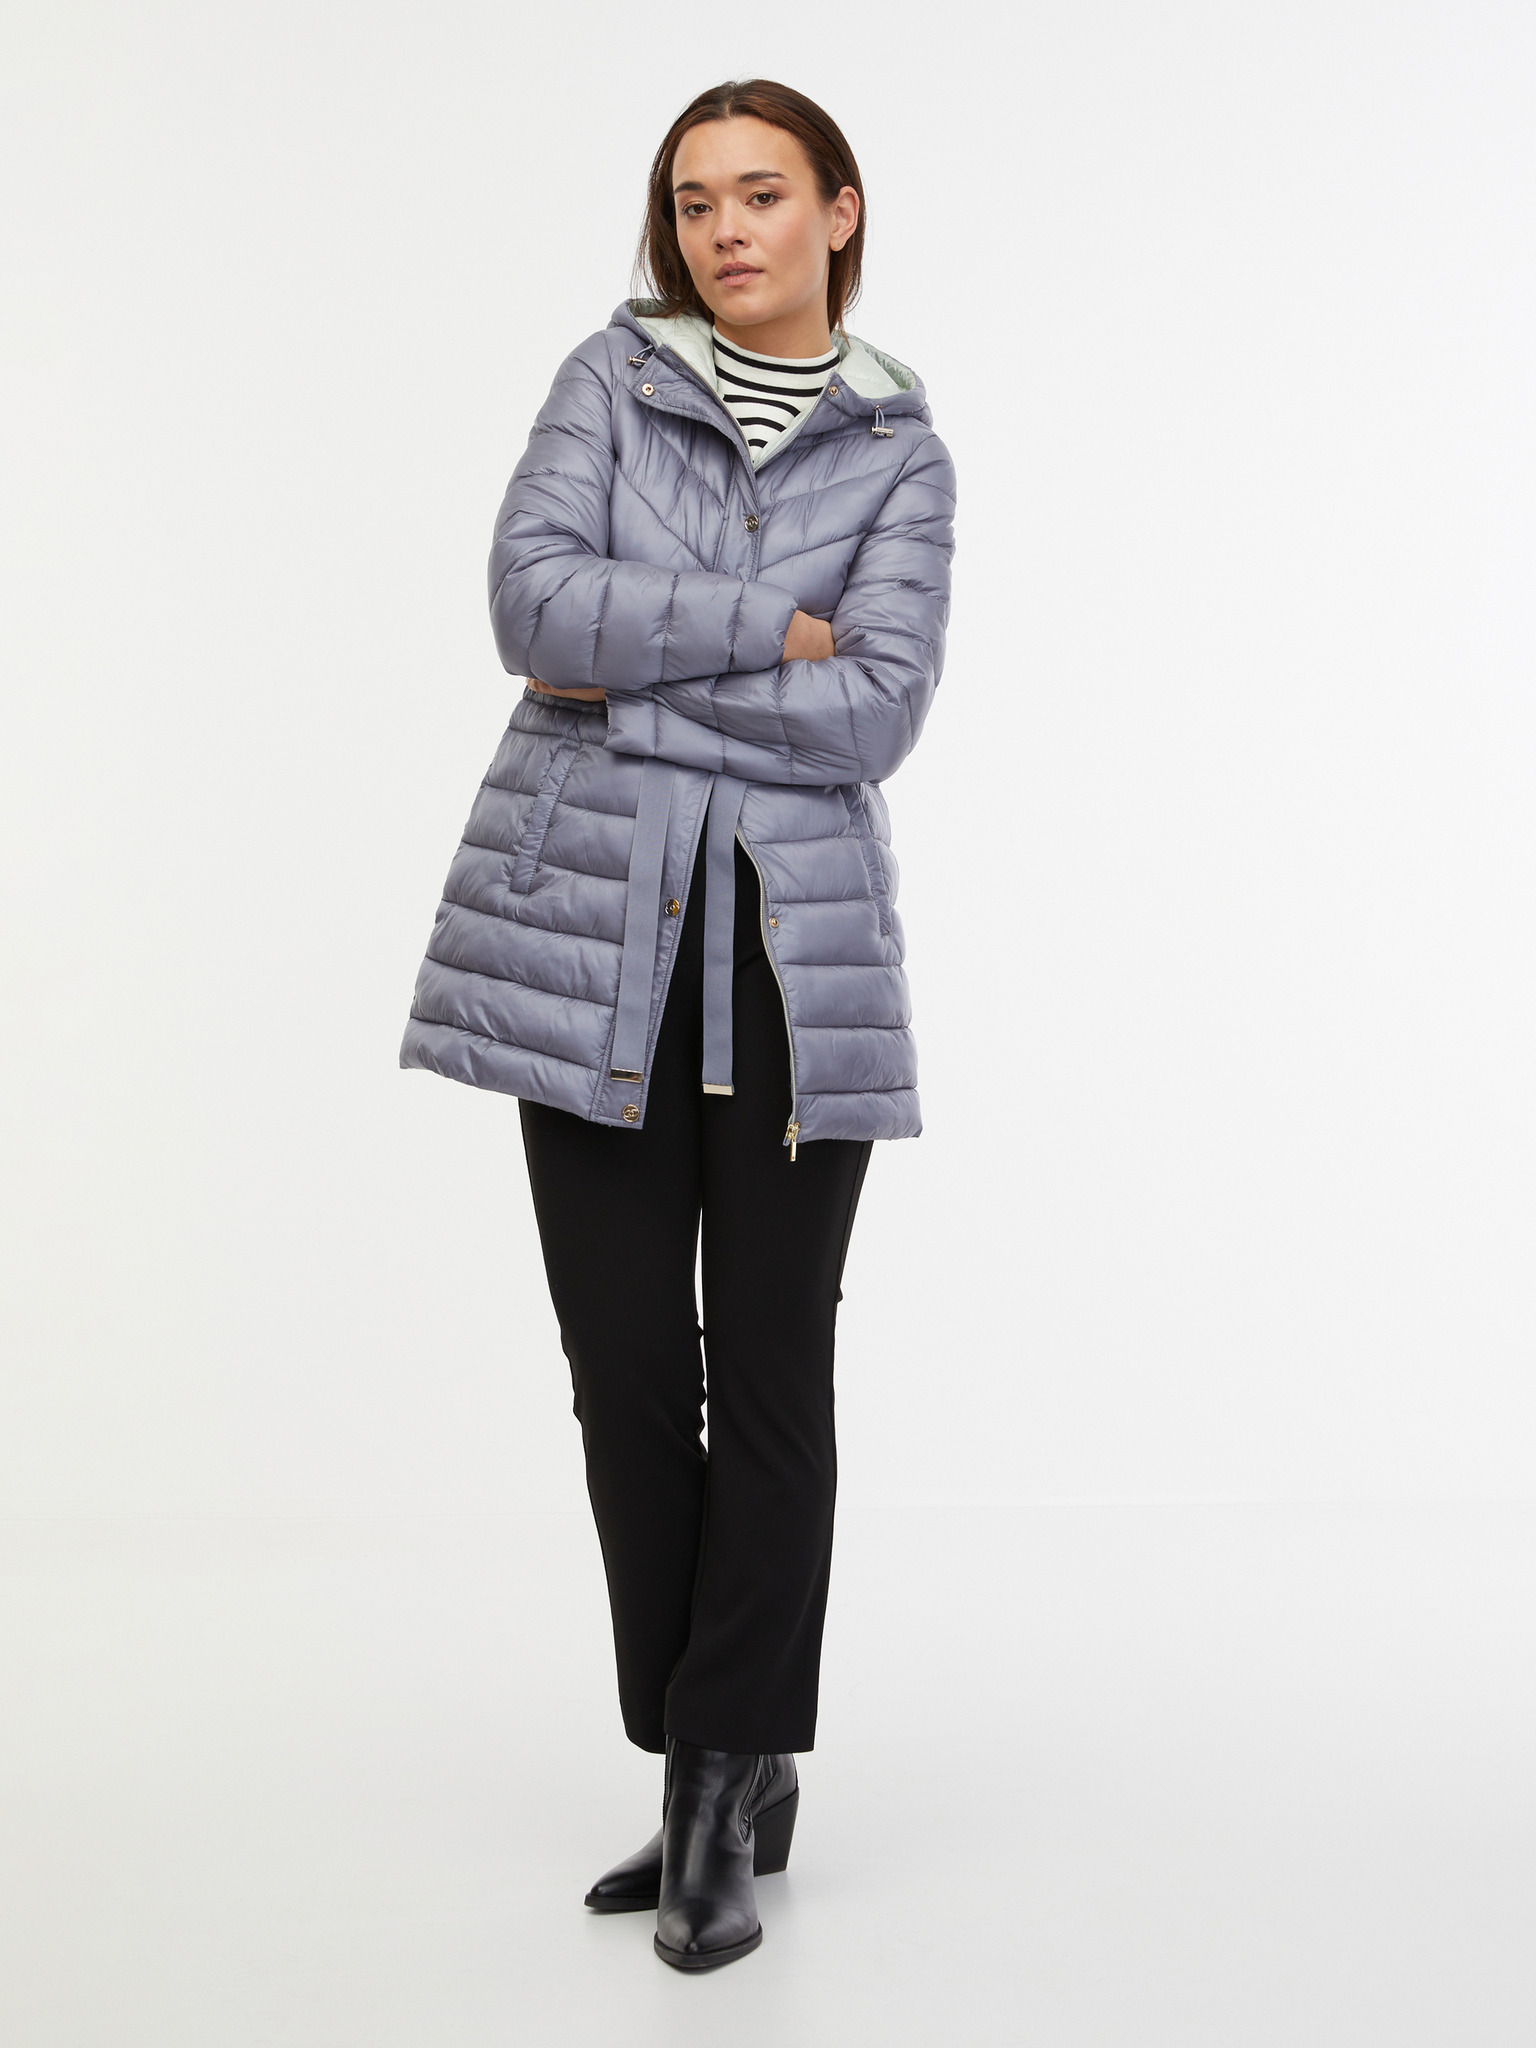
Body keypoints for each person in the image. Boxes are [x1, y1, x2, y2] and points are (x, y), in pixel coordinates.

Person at [400, 76, 957, 1971]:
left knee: (773, 1365)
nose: (726, 230)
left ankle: (722, 1777)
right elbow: (526, 606)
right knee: (627, 1365)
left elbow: (877, 710)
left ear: (839, 211)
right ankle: (705, 1734)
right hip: (584, 941)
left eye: (763, 194)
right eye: (697, 201)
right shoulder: (607, 383)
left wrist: (627, 674)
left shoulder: (902, 450)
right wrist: (765, 628)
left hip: (799, 961)